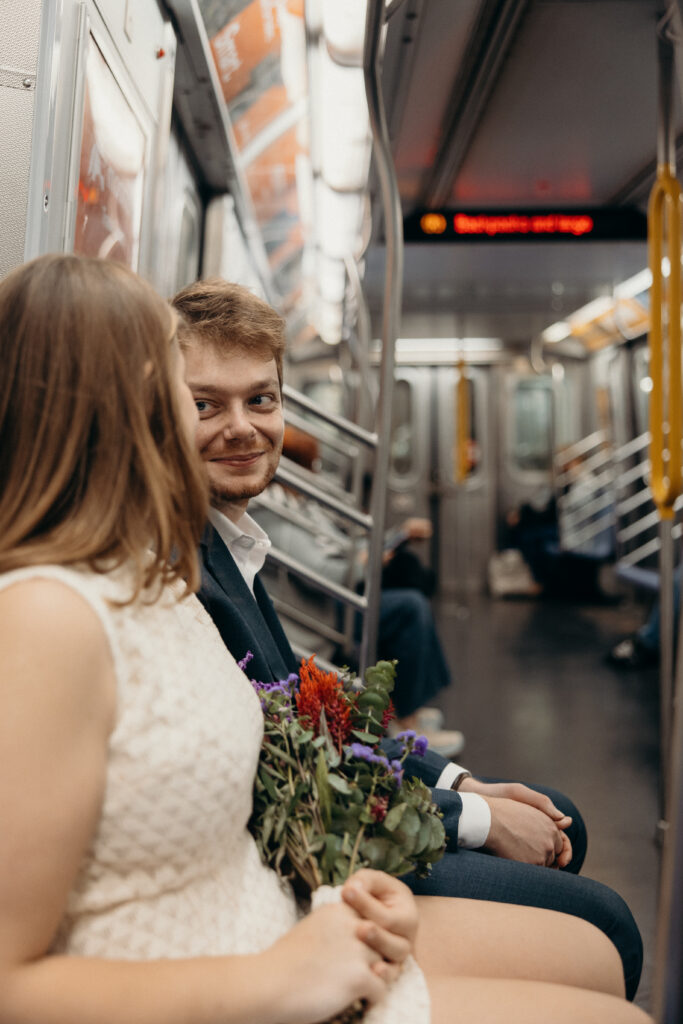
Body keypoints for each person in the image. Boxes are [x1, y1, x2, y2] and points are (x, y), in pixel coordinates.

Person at [0, 253, 652, 1024]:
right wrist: (285, 973)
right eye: (185, 395)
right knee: (608, 957)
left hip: (274, 920)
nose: (221, 425)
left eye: (256, 399)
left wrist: (419, 829)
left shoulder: (157, 573)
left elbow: (285, 723)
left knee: (598, 943)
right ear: (115, 411)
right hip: (254, 965)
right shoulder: (53, 617)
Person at [173, 277, 644, 1001]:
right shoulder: (188, 566)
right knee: (606, 924)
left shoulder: (228, 540)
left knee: (564, 824)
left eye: (260, 399)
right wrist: (479, 821)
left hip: (317, 816)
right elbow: (292, 774)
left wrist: (462, 786)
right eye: (206, 404)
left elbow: (303, 712)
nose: (242, 426)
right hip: (298, 862)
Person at [254, 424, 463, 755]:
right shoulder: (273, 510)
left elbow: (340, 544)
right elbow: (323, 572)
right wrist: (371, 561)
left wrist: (390, 540)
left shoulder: (299, 503)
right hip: (318, 611)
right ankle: (405, 721)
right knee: (409, 608)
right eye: (311, 467)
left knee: (410, 597)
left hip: (327, 602)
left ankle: (410, 705)